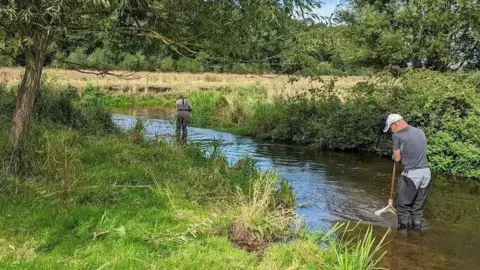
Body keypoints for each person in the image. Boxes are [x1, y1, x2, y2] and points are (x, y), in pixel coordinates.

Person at [383, 113, 431, 232]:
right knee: (417, 208)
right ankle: (417, 233)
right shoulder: (420, 131)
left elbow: (398, 158)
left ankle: (402, 236)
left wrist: (394, 155)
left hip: (412, 174)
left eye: (390, 127)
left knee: (403, 207)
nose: (391, 131)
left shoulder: (397, 135)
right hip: (426, 173)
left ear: (395, 123)